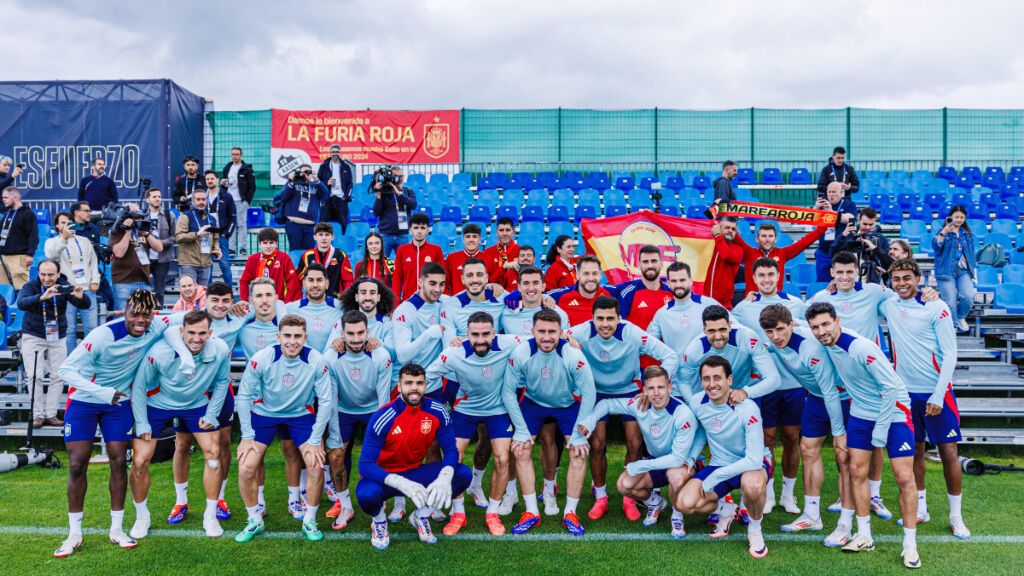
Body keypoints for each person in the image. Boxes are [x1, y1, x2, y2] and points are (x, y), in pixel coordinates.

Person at [54, 289, 191, 558]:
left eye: (147, 314)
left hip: (117, 405)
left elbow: (184, 317)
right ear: (125, 312)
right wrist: (103, 392)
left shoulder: (154, 325)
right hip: (85, 400)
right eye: (135, 314)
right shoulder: (103, 335)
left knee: (119, 461)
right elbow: (65, 370)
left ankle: (116, 529)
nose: (141, 320)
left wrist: (227, 309)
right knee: (77, 463)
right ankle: (74, 533)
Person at [805, 302, 922, 569]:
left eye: (825, 324)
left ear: (837, 321)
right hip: (860, 412)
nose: (821, 331)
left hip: (894, 412)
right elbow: (792, 325)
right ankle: (864, 535)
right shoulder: (826, 344)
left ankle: (910, 545)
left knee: (904, 476)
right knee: (856, 472)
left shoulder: (859, 347)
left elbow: (892, 389)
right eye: (815, 327)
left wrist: (879, 433)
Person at [566, 296, 678, 523]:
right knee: (596, 444)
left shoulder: (633, 333)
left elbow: (670, 356)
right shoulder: (580, 331)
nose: (605, 324)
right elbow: (554, 337)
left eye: (610, 318)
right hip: (596, 391)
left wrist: (652, 388)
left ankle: (629, 497)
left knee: (635, 442)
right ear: (592, 319)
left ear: (619, 318)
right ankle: (601, 497)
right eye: (600, 319)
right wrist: (568, 342)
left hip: (629, 389)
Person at [884, 259, 970, 540]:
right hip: (905, 394)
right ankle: (920, 509)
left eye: (907, 278)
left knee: (948, 453)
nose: (901, 284)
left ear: (918, 279)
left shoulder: (937, 306)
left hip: (936, 392)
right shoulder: (888, 304)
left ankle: (956, 516)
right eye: (896, 279)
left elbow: (950, 354)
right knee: (915, 452)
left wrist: (938, 393)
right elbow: (855, 292)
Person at [128, 310, 230, 539]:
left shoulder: (220, 349)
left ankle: (210, 515)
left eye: (202, 333)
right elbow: (140, 386)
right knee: (140, 460)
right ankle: (142, 517)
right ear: (181, 331)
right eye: (191, 332)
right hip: (158, 402)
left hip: (196, 403)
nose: (196, 338)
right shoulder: (160, 351)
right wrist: (142, 422)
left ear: (210, 333)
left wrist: (212, 414)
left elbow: (223, 380)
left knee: (214, 455)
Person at [757, 304, 852, 546]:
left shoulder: (810, 347)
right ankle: (811, 515)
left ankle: (847, 524)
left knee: (845, 457)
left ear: (790, 325)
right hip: (817, 397)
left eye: (780, 329)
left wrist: (839, 432)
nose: (776, 337)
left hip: (844, 397)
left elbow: (831, 391)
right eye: (770, 332)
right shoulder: (776, 338)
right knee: (808, 449)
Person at [235, 314, 335, 543]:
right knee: (245, 467)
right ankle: (254, 519)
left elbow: (326, 401)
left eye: (298, 336)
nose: (292, 341)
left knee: (315, 464)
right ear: (278, 336)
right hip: (265, 414)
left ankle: (309, 519)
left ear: (305, 337)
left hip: (300, 415)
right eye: (287, 336)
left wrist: (316, 437)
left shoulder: (316, 360)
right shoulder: (262, 358)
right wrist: (247, 437)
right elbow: (243, 397)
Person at [574, 365, 700, 539]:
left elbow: (677, 459)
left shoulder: (683, 413)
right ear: (644, 390)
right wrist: (591, 420)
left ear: (670, 387)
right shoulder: (640, 404)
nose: (656, 393)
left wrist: (641, 464)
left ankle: (677, 516)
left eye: (661, 387)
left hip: (681, 464)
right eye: (651, 388)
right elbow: (607, 404)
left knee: (675, 477)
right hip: (656, 461)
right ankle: (654, 502)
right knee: (623, 485)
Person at [355, 363, 472, 549]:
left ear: (426, 385)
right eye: (408, 383)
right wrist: (400, 482)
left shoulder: (437, 410)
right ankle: (378, 521)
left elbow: (451, 450)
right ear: (399, 386)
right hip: (385, 478)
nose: (414, 388)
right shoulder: (384, 416)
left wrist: (444, 476)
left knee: (462, 473)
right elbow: (365, 465)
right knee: (366, 494)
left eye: (419, 383)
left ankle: (421, 515)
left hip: (415, 474)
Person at [426, 312, 521, 536]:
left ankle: (493, 513)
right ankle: (458, 513)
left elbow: (539, 338)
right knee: (454, 457)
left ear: (494, 333)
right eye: (475, 334)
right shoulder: (453, 353)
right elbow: (429, 375)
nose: (480, 339)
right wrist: (422, 402)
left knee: (502, 458)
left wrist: (568, 337)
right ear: (466, 334)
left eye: (486, 334)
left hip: (497, 409)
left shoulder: (509, 343)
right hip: (465, 409)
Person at [503, 309, 596, 536]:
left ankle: (570, 513)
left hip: (567, 404)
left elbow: (589, 393)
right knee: (521, 448)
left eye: (552, 332)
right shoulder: (522, 352)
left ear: (561, 332)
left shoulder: (573, 355)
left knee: (578, 450)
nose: (546, 337)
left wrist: (578, 434)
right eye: (541, 331)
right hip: (534, 403)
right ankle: (532, 512)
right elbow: (507, 392)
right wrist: (522, 431)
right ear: (532, 331)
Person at [731, 258, 808, 515]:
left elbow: (811, 329)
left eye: (770, 274)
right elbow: (728, 328)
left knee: (791, 438)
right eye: (761, 274)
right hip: (762, 386)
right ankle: (770, 493)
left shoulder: (796, 304)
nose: (766, 279)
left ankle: (788, 495)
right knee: (766, 439)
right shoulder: (743, 308)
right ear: (754, 278)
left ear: (779, 275)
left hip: (794, 384)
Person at [677, 356, 771, 559]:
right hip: (719, 463)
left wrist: (716, 476)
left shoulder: (748, 408)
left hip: (750, 465)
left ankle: (755, 529)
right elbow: (702, 430)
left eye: (717, 378)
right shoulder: (697, 402)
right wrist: (691, 459)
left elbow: (754, 460)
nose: (712, 384)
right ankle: (727, 509)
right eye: (706, 379)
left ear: (729, 379)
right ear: (701, 381)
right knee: (685, 503)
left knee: (753, 485)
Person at [169, 281, 244, 525]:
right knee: (182, 444)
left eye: (226, 301)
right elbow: (162, 324)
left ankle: (219, 497)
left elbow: (270, 306)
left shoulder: (238, 320)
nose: (220, 305)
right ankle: (181, 500)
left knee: (222, 445)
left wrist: (245, 305)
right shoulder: (186, 320)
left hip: (221, 391)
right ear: (205, 301)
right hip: (192, 391)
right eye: (215, 300)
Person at [323, 310, 393, 530]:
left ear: (367, 331)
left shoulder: (381, 355)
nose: (355, 338)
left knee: (382, 454)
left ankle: (381, 504)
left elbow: (384, 401)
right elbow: (331, 400)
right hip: (344, 410)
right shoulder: (331, 357)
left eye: (360, 333)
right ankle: (345, 506)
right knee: (335, 455)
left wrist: (381, 435)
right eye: (350, 333)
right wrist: (334, 435)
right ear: (342, 333)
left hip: (373, 408)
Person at [18, 260, 91, 428]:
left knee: (58, 376)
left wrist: (81, 297)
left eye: (50, 275)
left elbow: (85, 304)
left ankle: (51, 414)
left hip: (57, 336)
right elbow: (22, 303)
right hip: (33, 334)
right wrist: (42, 297)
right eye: (43, 274)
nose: (46, 278)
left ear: (58, 274)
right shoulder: (31, 286)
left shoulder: (64, 286)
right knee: (34, 376)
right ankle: (37, 415)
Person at [675, 305, 780, 401]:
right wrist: (693, 405)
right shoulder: (694, 350)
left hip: (746, 391)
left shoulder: (747, 337)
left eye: (722, 330)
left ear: (730, 326)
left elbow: (774, 379)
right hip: (712, 397)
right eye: (712, 331)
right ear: (704, 330)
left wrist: (746, 392)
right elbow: (683, 381)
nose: (718, 336)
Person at [44, 211, 100, 353]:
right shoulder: (52, 242)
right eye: (63, 222)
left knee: (92, 328)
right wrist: (63, 238)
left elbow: (93, 263)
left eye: (69, 222)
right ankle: (69, 361)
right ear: (56, 226)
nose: (66, 225)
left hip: (86, 290)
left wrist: (95, 281)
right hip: (66, 291)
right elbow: (51, 256)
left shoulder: (84, 241)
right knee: (69, 329)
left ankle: (89, 359)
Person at [647, 262, 723, 363]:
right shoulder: (662, 314)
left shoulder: (708, 303)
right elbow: (646, 345)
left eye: (682, 280)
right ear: (669, 283)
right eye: (674, 281)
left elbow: (732, 326)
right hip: (678, 377)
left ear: (691, 281)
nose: (678, 285)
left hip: (708, 374)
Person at [735, 219, 828, 295]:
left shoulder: (783, 253)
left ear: (775, 239)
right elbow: (733, 234)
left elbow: (804, 242)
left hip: (775, 301)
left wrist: (823, 227)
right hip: (753, 301)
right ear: (757, 238)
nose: (767, 239)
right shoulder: (749, 253)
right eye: (763, 236)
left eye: (770, 236)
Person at [932, 205, 976, 333]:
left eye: (962, 217)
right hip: (946, 271)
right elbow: (936, 247)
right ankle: (954, 325)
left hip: (964, 270)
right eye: (956, 217)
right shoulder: (942, 231)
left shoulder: (967, 234)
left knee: (968, 296)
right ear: (950, 217)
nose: (959, 220)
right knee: (950, 302)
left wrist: (973, 269)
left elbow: (971, 253)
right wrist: (944, 232)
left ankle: (961, 317)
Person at [110, 203, 162, 312]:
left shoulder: (142, 228)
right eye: (134, 213)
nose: (138, 216)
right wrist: (128, 232)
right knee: (123, 316)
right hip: (123, 282)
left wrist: (146, 234)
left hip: (143, 280)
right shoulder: (117, 230)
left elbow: (159, 248)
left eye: (138, 212)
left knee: (145, 313)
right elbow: (119, 253)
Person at [442, 258, 506, 338]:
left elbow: (523, 297)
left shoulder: (500, 297)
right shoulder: (451, 306)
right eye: (470, 275)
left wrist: (516, 295)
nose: (475, 280)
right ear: (463, 279)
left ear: (486, 278)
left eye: (479, 275)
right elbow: (448, 345)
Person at [286, 263, 344, 351]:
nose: (315, 285)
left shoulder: (341, 307)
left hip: (331, 363)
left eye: (319, 280)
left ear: (327, 283)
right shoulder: (291, 309)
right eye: (311, 280)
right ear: (304, 283)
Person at [500, 266, 570, 336]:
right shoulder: (505, 313)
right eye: (526, 283)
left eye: (535, 283)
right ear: (519, 287)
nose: (531, 288)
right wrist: (492, 285)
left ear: (543, 287)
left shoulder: (559, 314)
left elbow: (565, 341)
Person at [391, 213, 444, 302]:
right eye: (416, 228)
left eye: (423, 228)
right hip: (408, 302)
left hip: (430, 303)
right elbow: (397, 279)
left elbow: (442, 278)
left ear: (427, 230)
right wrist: (395, 304)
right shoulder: (402, 250)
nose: (419, 231)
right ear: (410, 230)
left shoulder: (436, 250)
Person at [831, 207, 891, 285]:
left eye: (871, 224)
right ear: (859, 219)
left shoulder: (881, 239)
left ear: (875, 221)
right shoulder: (849, 234)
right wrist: (843, 235)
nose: (867, 227)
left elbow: (886, 261)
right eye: (865, 224)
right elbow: (833, 252)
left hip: (872, 279)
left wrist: (875, 249)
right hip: (849, 277)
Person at [239, 228, 301, 302]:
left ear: (276, 243)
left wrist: (287, 303)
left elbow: (292, 283)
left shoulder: (284, 258)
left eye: (271, 242)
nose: (268, 246)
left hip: (279, 301)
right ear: (259, 244)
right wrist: (244, 301)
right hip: (259, 302)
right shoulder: (253, 259)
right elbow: (244, 281)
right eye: (265, 243)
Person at [175, 188, 220, 286]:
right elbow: (178, 237)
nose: (201, 202)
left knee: (203, 294)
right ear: (193, 201)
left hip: (206, 263)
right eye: (198, 199)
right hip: (189, 263)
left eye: (203, 199)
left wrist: (216, 249)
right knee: (189, 293)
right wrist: (196, 234)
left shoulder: (212, 219)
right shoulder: (185, 216)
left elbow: (215, 239)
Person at [547, 254, 610, 326]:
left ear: (600, 275)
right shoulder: (561, 295)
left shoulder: (608, 293)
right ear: (577, 275)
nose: (591, 278)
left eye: (595, 273)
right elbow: (538, 296)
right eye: (586, 273)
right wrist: (544, 298)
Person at [297, 222, 354, 299]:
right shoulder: (307, 255)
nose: (324, 238)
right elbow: (298, 280)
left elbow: (348, 280)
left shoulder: (340, 254)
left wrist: (345, 298)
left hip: (335, 299)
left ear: (332, 237)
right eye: (320, 235)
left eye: (327, 235)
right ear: (315, 237)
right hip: (313, 299)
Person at [140, 188, 177, 307]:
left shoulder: (168, 215)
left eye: (159, 196)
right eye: (154, 196)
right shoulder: (141, 215)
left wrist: (161, 243)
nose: (158, 199)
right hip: (145, 258)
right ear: (147, 200)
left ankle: (159, 314)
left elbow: (175, 236)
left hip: (163, 259)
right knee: (143, 289)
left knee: (160, 291)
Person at [814, 182, 858, 282]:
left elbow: (850, 218)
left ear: (841, 193)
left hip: (841, 251)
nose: (831, 194)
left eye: (834, 192)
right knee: (822, 283)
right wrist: (816, 209)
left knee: (842, 281)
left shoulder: (848, 204)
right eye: (829, 192)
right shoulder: (822, 206)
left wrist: (832, 213)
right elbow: (812, 222)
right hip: (824, 251)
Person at [371, 165, 417, 258]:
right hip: (385, 235)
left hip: (402, 235)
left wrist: (399, 193)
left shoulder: (408, 192)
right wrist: (378, 194)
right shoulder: (384, 193)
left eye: (401, 176)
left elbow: (413, 205)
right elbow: (376, 213)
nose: (399, 179)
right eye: (396, 176)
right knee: (383, 264)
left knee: (404, 263)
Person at [281, 164, 328, 252]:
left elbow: (326, 195)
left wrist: (317, 180)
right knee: (295, 251)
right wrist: (291, 180)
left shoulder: (315, 185)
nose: (305, 175)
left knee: (309, 253)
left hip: (311, 226)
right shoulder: (292, 183)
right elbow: (283, 197)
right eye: (302, 173)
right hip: (294, 225)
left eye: (308, 172)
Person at [0, 186, 38, 290]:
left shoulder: (28, 214)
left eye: (6, 197)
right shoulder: (7, 214)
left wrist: (30, 254)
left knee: (21, 289)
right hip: (3, 257)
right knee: (3, 290)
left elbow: (33, 236)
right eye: (3, 197)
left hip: (19, 257)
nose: (3, 200)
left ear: (15, 197)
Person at [204, 170, 237, 288]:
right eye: (207, 179)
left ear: (217, 180)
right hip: (205, 237)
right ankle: (209, 294)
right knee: (207, 265)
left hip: (221, 235)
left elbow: (233, 217)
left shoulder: (226, 196)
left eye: (212, 178)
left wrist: (226, 234)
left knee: (224, 264)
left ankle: (229, 293)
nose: (210, 181)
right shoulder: (202, 197)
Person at [222, 147, 257, 256]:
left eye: (237, 154)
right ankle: (232, 248)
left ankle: (242, 248)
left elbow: (252, 187)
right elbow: (224, 185)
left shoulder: (247, 169)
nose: (235, 156)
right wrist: (223, 184)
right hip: (229, 200)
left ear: (241, 155)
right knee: (231, 224)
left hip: (241, 201)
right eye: (233, 154)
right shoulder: (227, 167)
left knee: (241, 224)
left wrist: (247, 200)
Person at [705, 216, 743, 309]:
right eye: (727, 228)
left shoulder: (738, 250)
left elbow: (726, 255)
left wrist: (717, 236)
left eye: (733, 229)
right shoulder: (710, 244)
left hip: (723, 305)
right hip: (703, 301)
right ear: (719, 228)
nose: (730, 230)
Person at [318, 144, 354, 234]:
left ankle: (342, 245)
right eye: (333, 152)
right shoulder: (323, 166)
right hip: (327, 199)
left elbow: (350, 183)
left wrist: (346, 197)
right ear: (330, 153)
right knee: (323, 225)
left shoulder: (346, 166)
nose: (335, 153)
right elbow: (318, 182)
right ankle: (323, 245)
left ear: (340, 153)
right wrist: (327, 183)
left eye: (337, 152)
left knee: (343, 225)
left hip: (341, 199)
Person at [445, 223, 486, 295]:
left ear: (479, 239)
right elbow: (445, 283)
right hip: (457, 303)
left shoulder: (487, 258)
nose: (471, 240)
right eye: (468, 237)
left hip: (480, 303)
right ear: (463, 239)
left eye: (474, 237)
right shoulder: (452, 258)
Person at [483, 217, 522, 291]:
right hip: (494, 295)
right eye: (501, 230)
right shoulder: (488, 252)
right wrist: (504, 267)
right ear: (497, 233)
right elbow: (487, 281)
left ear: (513, 232)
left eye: (508, 230)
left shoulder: (521, 251)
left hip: (516, 295)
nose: (504, 233)